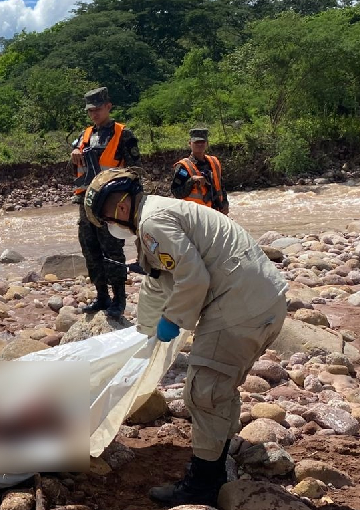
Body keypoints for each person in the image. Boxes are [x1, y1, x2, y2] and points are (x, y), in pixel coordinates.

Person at [83, 169, 287, 507]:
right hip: (260, 301)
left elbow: (193, 279)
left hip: (240, 307)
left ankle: (204, 484)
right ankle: (218, 463)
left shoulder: (152, 224)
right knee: (220, 387)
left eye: (105, 219)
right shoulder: (154, 215)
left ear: (118, 206)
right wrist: (146, 334)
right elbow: (158, 281)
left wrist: (171, 321)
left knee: (203, 390)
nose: (109, 226)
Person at [69, 86, 141, 318]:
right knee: (90, 250)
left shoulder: (123, 135)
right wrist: (73, 158)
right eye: (90, 111)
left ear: (108, 107)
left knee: (112, 251)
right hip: (86, 204)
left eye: (98, 109)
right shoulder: (84, 135)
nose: (94, 114)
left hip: (111, 204)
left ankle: (119, 299)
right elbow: (75, 172)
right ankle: (101, 296)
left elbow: (136, 171)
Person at [170, 128, 229, 215]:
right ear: (190, 143)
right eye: (196, 142)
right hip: (195, 215)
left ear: (207, 143)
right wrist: (192, 180)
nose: (200, 144)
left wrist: (225, 203)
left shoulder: (214, 162)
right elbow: (176, 193)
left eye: (202, 142)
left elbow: (220, 186)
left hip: (216, 212)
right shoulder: (183, 167)